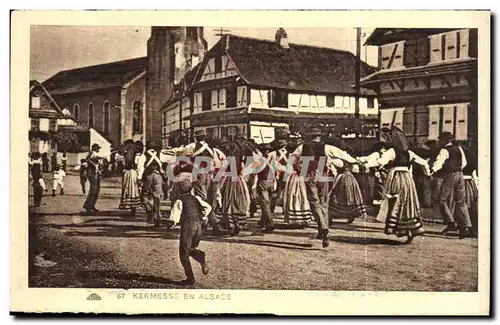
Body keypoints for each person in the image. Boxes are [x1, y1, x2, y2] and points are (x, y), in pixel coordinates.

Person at [290, 127, 359, 248]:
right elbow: (342, 155)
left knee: (314, 202)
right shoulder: (326, 147)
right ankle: (324, 231)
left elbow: (292, 159)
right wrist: (356, 161)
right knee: (324, 202)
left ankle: (323, 227)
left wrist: (297, 168)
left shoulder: (302, 147)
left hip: (308, 172)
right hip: (323, 173)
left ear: (310, 137)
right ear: (319, 137)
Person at [363, 126, 428, 244]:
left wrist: (366, 164)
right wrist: (428, 172)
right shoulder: (409, 153)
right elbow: (423, 162)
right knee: (407, 202)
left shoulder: (392, 151)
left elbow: (380, 162)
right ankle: (411, 228)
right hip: (407, 179)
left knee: (395, 202)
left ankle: (398, 227)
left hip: (396, 177)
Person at [430, 132, 473, 238]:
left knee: (441, 199)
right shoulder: (459, 148)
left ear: (445, 141)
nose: (439, 142)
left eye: (440, 140)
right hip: (460, 174)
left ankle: (450, 222)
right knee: (461, 201)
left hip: (450, 175)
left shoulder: (444, 150)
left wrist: (432, 170)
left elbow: (438, 163)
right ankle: (466, 225)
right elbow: (464, 163)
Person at [169, 178, 211, 285]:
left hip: (188, 226)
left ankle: (190, 279)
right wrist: (203, 216)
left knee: (183, 253)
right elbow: (208, 207)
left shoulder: (179, 201)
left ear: (179, 189)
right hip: (198, 226)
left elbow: (175, 216)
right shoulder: (196, 198)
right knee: (189, 248)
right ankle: (201, 257)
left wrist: (171, 223)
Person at [328, 158, 367, 225]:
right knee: (349, 197)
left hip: (344, 178)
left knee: (342, 197)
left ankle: (350, 215)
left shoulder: (341, 160)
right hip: (349, 178)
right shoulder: (349, 160)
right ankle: (350, 215)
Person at [142, 149, 168, 228]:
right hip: (158, 175)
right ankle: (157, 216)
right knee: (157, 199)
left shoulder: (146, 154)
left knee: (145, 196)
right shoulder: (159, 153)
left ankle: (150, 211)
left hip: (148, 175)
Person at [118, 140, 142, 215]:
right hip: (133, 171)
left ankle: (130, 206)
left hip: (127, 171)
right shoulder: (135, 149)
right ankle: (133, 208)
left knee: (128, 189)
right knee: (133, 190)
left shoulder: (126, 149)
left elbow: (120, 158)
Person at [83, 143, 106, 213]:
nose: (98, 149)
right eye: (98, 148)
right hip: (92, 174)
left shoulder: (93, 154)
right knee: (94, 189)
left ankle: (91, 205)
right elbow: (102, 156)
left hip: (95, 174)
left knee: (96, 190)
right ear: (95, 149)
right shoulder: (93, 154)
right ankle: (88, 205)